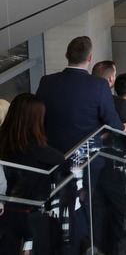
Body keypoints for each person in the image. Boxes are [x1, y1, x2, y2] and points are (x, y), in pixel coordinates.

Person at [35, 35, 126, 154]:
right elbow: (110, 118)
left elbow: (36, 115)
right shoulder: (99, 85)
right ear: (90, 58)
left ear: (66, 55)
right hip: (87, 157)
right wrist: (123, 127)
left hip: (53, 153)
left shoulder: (46, 81)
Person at [0, 94, 69, 255]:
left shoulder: (3, 142)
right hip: (32, 214)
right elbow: (60, 159)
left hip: (6, 213)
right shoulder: (38, 150)